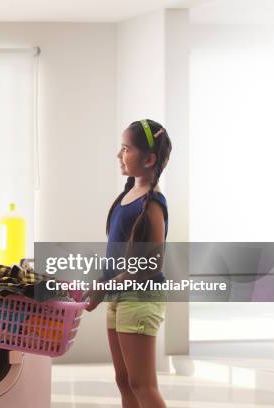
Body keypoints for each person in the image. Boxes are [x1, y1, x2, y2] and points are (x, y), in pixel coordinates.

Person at [82, 119, 172, 408]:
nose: (118, 154)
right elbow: (116, 256)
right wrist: (101, 285)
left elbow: (151, 266)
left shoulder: (153, 203)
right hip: (120, 297)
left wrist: (105, 288)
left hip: (140, 299)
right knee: (124, 380)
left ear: (149, 159)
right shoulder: (127, 196)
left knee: (141, 384)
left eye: (125, 148)